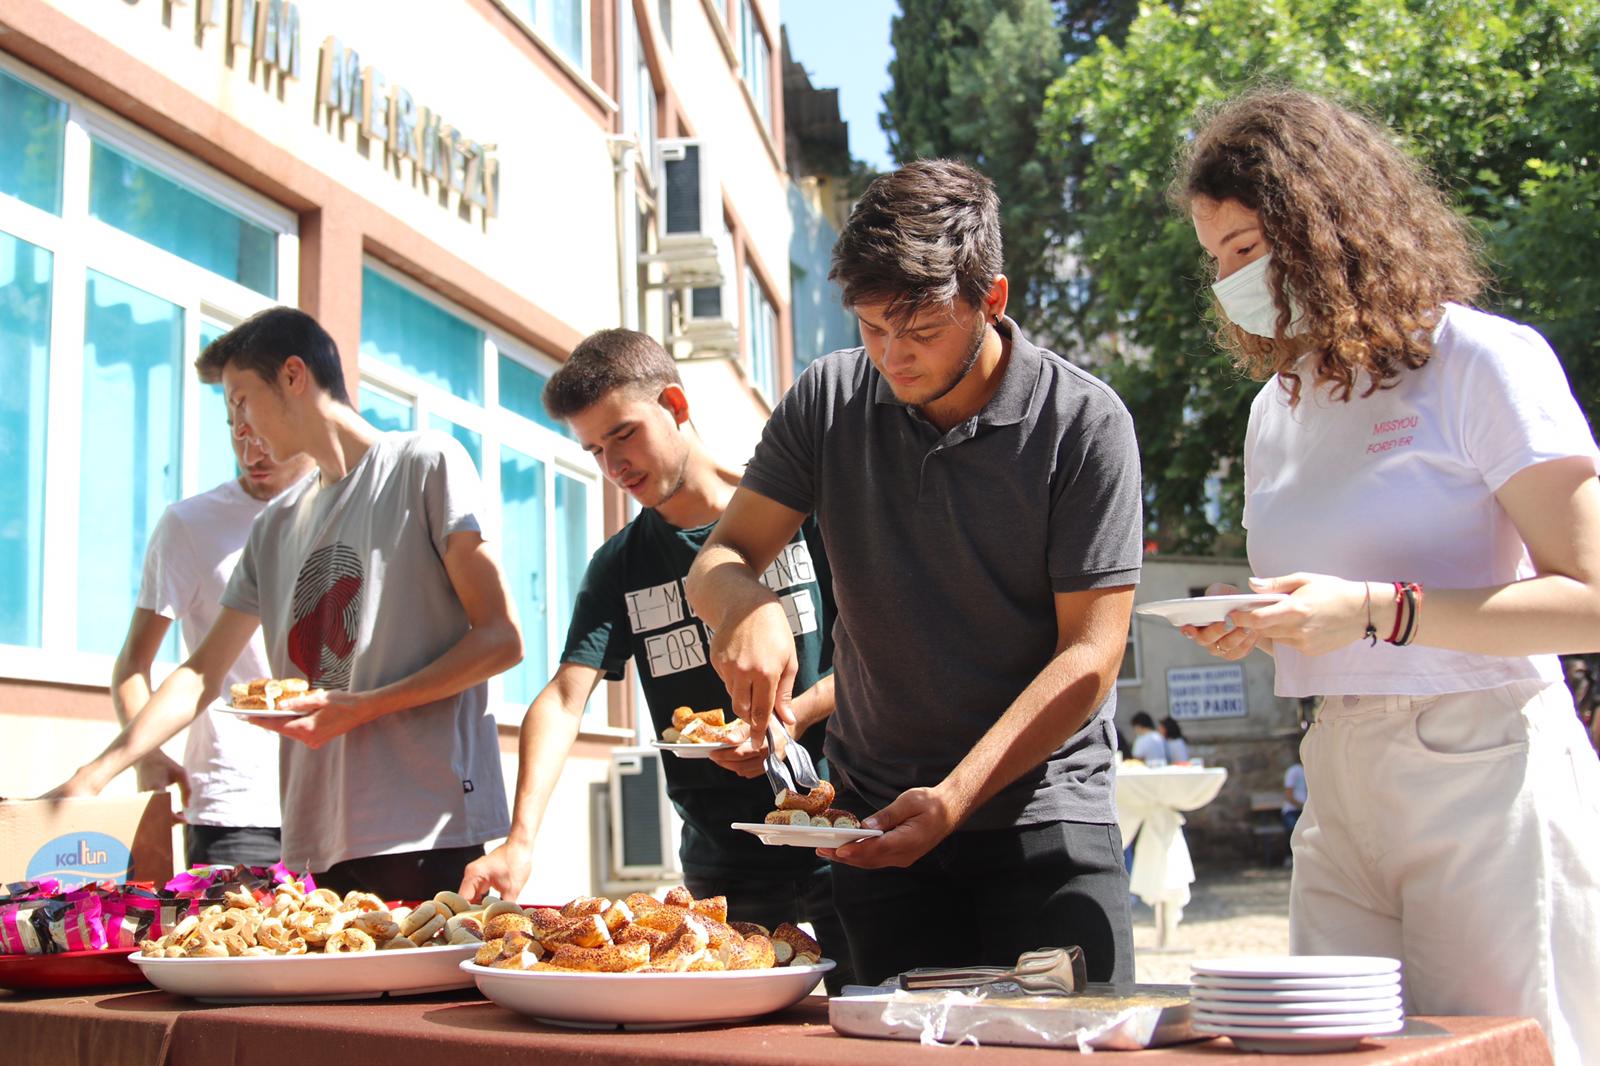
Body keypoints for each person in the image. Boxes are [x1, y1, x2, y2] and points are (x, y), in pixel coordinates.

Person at [1173, 88, 1600, 1063]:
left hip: (1481, 765)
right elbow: (1320, 606)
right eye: (1215, 260)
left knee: (1504, 1047)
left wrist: (1373, 611)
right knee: (1327, 1051)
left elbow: (1590, 600)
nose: (1229, 279)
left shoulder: (1480, 361)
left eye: (1245, 249)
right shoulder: (1274, 410)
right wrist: (1256, 620)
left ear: (1321, 224)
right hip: (1335, 773)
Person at [685, 159, 1143, 986]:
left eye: (920, 330)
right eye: (868, 327)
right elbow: (718, 557)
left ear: (992, 300)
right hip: (873, 825)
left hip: (1042, 817)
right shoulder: (825, 398)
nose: (890, 356)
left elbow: (1091, 656)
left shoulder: (1084, 423)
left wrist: (957, 795)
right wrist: (746, 604)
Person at [49, 307, 521, 899]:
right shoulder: (274, 527)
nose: (240, 427)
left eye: (242, 401)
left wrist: (363, 706)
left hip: (425, 830)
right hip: (314, 838)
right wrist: (94, 776)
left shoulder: (424, 464)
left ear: (294, 376)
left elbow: (501, 639)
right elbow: (200, 673)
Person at [456, 329, 852, 989]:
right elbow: (561, 699)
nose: (613, 464)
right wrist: (521, 837)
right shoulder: (619, 565)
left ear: (674, 402)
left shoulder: (804, 514)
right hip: (723, 865)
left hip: (846, 837)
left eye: (623, 434)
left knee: (866, 1028)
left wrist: (790, 719)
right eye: (594, 449)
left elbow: (880, 657)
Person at [112, 413, 315, 867]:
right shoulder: (189, 523)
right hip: (234, 805)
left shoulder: (348, 509)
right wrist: (147, 755)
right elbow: (131, 665)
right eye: (237, 429)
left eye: (263, 430)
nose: (251, 452)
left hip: (343, 803)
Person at [1281, 761, 1306, 837]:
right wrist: (1303, 806)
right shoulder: (1294, 771)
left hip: (1307, 811)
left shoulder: (1314, 770)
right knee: (1295, 831)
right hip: (1292, 811)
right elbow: (1288, 795)